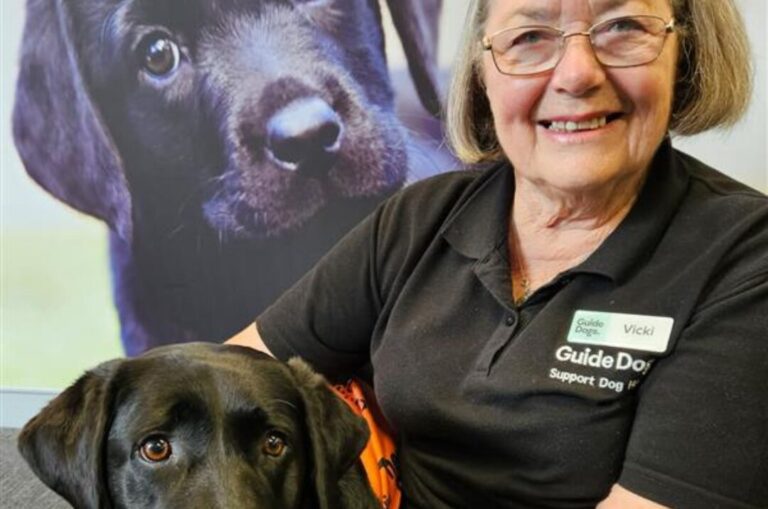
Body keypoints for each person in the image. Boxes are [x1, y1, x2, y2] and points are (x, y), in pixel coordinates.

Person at [227, 0, 768, 507]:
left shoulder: (744, 258)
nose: (577, 73)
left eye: (623, 27)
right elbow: (222, 383)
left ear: (685, 54)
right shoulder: (422, 218)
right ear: (483, 74)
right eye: (530, 36)